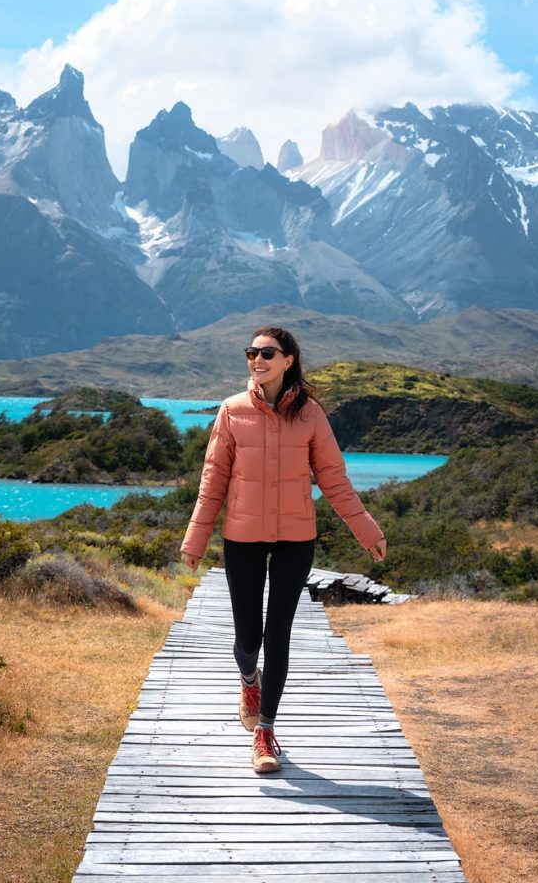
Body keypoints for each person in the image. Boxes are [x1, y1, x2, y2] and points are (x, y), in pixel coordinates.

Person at [180, 326, 387, 773]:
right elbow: (213, 480)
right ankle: (248, 681)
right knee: (247, 640)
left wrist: (367, 531)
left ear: (288, 359)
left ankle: (265, 732)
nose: (257, 359)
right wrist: (196, 539)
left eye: (267, 352)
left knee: (279, 636)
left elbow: (333, 479)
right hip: (242, 537)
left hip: (296, 538)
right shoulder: (232, 410)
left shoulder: (310, 414)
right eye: (251, 352)